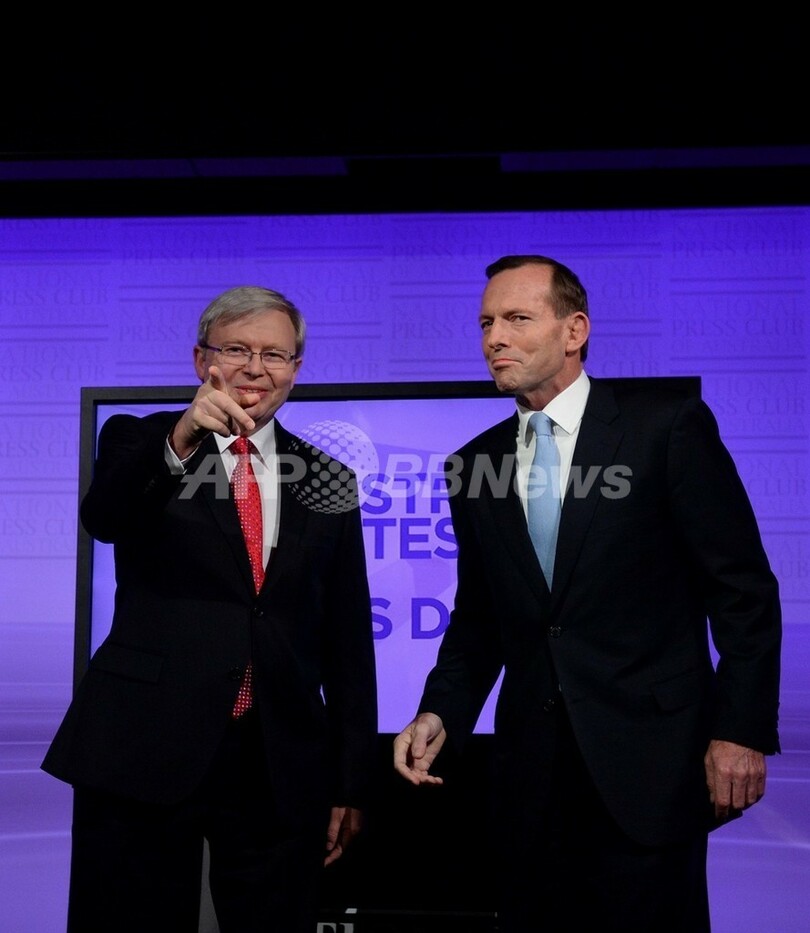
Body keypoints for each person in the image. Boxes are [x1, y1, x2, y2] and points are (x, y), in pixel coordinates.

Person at [393, 255, 782, 932]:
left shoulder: (666, 426)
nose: (493, 338)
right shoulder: (472, 462)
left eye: (516, 318)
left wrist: (739, 730)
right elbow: (483, 612)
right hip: (530, 776)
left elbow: (744, 591)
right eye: (486, 321)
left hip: (652, 764)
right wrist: (440, 710)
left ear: (574, 330)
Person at [43, 286, 378, 933]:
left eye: (275, 354)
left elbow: (346, 635)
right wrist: (186, 432)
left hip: (276, 759)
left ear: (296, 370)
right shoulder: (143, 439)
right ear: (202, 360)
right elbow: (104, 516)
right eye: (238, 350)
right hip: (145, 741)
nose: (257, 367)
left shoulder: (328, 475)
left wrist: (350, 781)